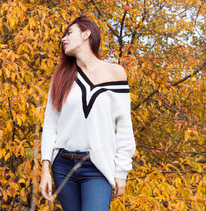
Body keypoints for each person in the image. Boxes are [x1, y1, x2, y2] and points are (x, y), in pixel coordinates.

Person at [39, 15, 136, 211]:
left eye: (69, 33)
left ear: (86, 34)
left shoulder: (115, 73)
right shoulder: (60, 78)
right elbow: (50, 126)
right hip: (63, 167)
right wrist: (45, 169)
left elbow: (125, 127)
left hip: (97, 167)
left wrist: (121, 171)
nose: (63, 39)